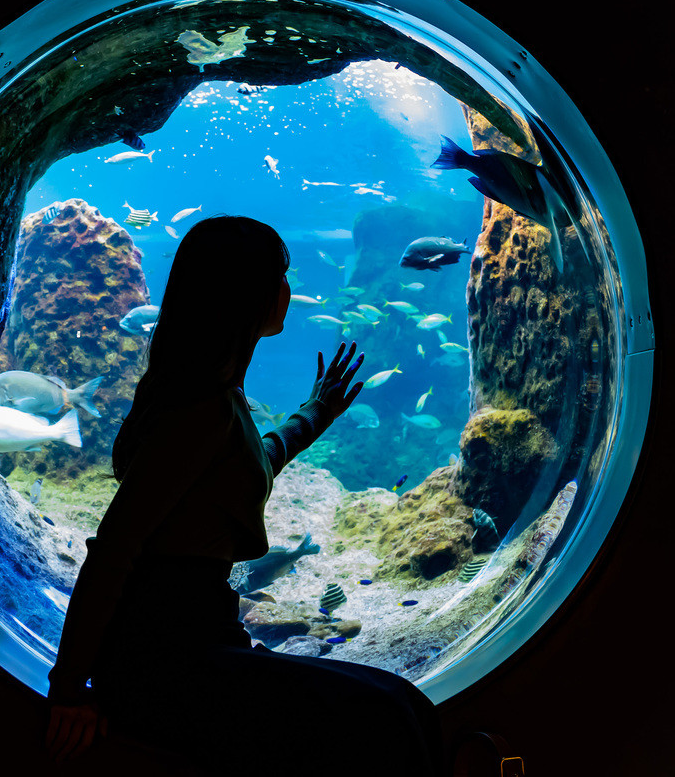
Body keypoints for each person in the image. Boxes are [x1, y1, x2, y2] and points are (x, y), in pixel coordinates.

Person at [44, 216, 444, 774]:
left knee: (399, 702)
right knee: (382, 717)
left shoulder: (210, 397)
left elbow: (247, 464)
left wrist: (314, 414)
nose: (288, 289)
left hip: (202, 635)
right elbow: (114, 549)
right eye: (278, 275)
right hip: (166, 658)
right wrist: (67, 688)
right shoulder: (199, 407)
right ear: (240, 292)